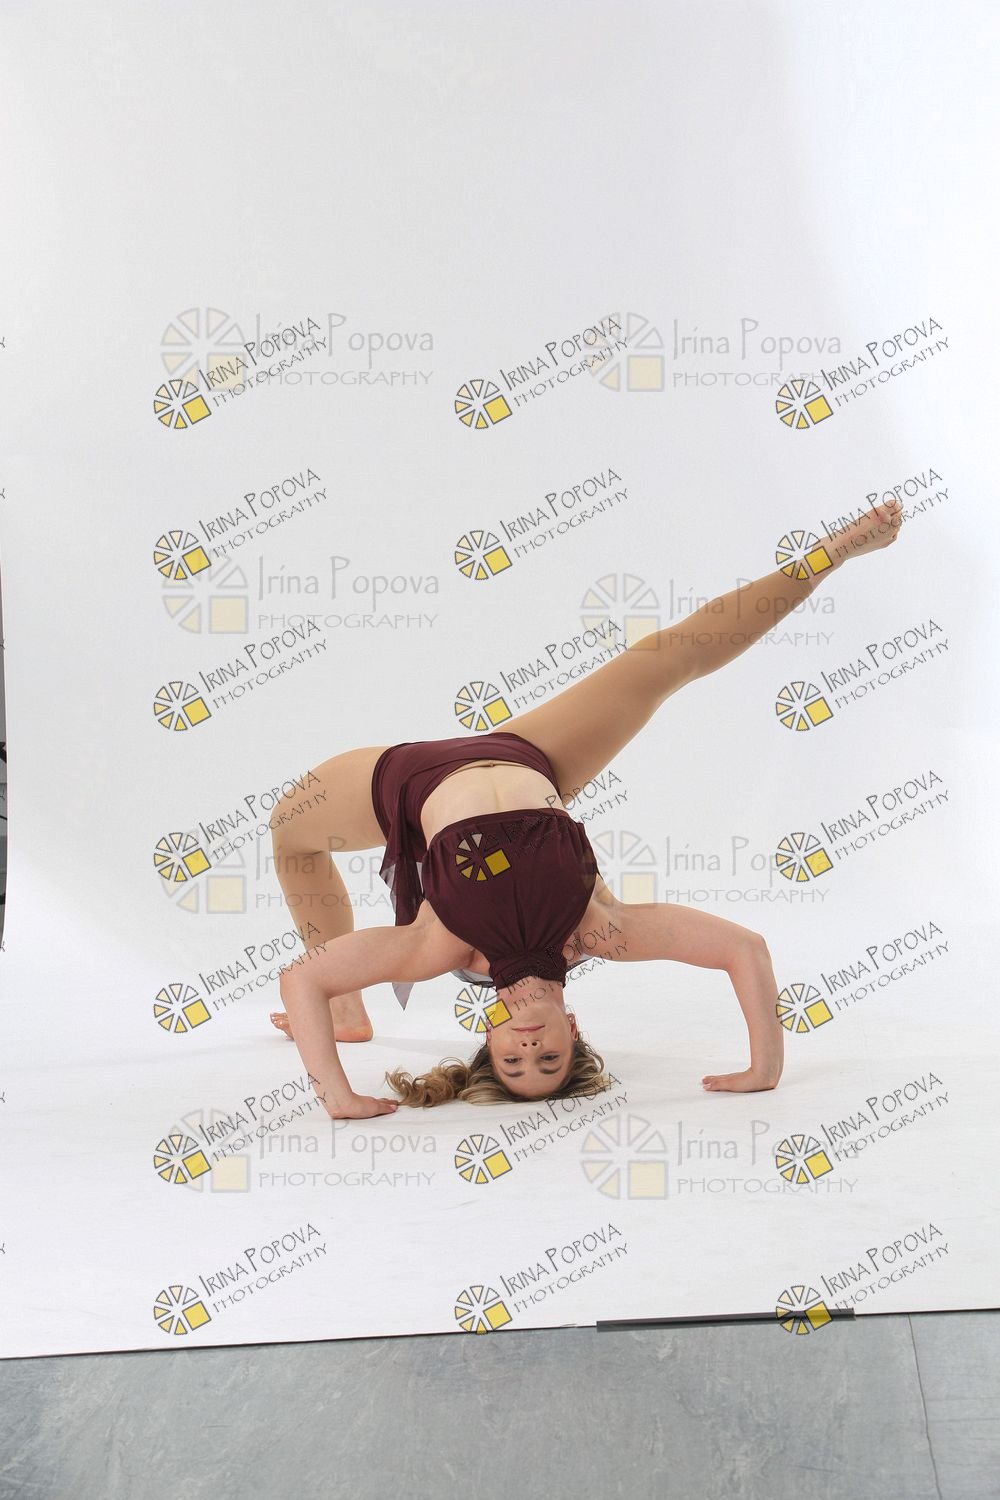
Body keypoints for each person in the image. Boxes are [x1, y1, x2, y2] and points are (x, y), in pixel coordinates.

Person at [270, 499, 904, 1118]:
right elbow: (745, 948)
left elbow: (302, 979)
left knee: (289, 834)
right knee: (668, 659)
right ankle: (831, 555)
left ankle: (347, 1013)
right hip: (530, 757)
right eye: (550, 1061)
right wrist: (765, 1069)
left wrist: (339, 1097)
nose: (530, 1051)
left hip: (406, 782)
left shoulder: (443, 949)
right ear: (572, 1030)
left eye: (513, 1063)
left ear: (490, 1035)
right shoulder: (600, 931)